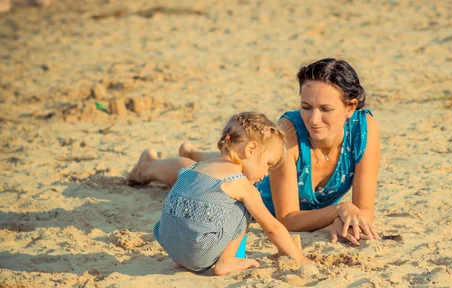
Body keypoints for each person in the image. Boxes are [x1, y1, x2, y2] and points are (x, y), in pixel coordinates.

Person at [127, 58, 380, 246]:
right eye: (306, 106)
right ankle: (147, 167)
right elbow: (288, 219)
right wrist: (337, 212)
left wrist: (342, 221)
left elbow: (363, 210)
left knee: (225, 158)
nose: (313, 119)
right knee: (196, 175)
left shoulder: (364, 129)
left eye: (326, 109)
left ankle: (197, 152)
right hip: (257, 190)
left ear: (350, 107)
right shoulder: (289, 134)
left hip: (307, 211)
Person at [153, 111, 311, 276]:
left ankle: (185, 259)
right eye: (267, 163)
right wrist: (299, 257)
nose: (266, 172)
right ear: (251, 149)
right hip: (199, 254)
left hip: (170, 245)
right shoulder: (239, 183)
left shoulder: (198, 166)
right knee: (245, 204)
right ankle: (226, 261)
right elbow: (272, 228)